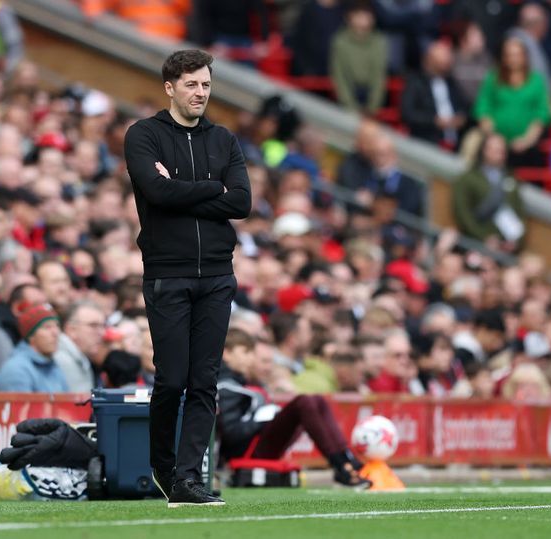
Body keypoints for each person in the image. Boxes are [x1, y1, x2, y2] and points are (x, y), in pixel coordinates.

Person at [124, 49, 251, 507]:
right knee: (172, 380)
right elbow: (155, 192)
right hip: (168, 274)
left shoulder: (224, 139)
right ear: (170, 87)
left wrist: (183, 192)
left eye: (206, 85)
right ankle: (163, 466)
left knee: (204, 382)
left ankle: (187, 477)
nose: (201, 93)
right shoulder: (144, 135)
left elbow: (241, 202)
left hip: (218, 274)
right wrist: (213, 189)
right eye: (192, 84)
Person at [216, 328, 368, 487]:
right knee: (304, 402)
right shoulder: (226, 387)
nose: (251, 358)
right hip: (246, 452)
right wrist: (262, 419)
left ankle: (347, 458)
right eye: (246, 352)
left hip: (257, 443)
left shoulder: (242, 382)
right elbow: (231, 434)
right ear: (226, 353)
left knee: (317, 399)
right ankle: (340, 464)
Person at [473, 36, 551, 167]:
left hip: (528, 147)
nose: (513, 59)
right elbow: (482, 108)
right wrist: (493, 135)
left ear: (525, 56)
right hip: (495, 145)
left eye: (517, 55)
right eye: (509, 55)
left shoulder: (536, 80)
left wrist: (527, 140)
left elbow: (542, 113)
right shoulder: (493, 78)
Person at [453, 134, 526, 254]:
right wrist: (483, 237)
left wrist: (517, 241)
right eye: (496, 150)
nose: (501, 153)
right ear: (484, 150)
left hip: (507, 245)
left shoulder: (511, 179)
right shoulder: (468, 178)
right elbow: (462, 213)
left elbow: (520, 212)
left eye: (503, 150)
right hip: (476, 243)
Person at [400, 41, 469, 148]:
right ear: (430, 60)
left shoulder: (451, 83)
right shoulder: (416, 82)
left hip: (456, 141)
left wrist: (460, 119)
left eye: (447, 60)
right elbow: (408, 114)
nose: (446, 63)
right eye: (441, 61)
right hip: (428, 141)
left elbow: (464, 106)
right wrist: (434, 121)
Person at [0, 302, 69, 393]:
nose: (55, 333)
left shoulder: (52, 365)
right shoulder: (16, 370)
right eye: (47, 327)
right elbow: (19, 407)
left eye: (57, 326)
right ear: (31, 335)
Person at [329, 0, 388, 115]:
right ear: (349, 17)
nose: (363, 19)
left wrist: (373, 107)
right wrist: (350, 106)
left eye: (366, 15)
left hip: (370, 97)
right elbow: (339, 76)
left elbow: (379, 76)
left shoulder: (379, 42)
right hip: (347, 97)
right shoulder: (340, 41)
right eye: (359, 15)